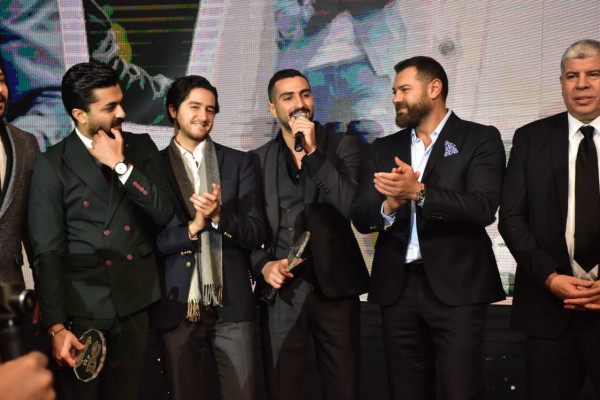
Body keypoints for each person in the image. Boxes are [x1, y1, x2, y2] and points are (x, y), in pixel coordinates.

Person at [351, 56, 506, 399]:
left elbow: (482, 207)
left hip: (458, 290)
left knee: (461, 390)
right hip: (397, 290)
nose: (396, 98)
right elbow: (361, 215)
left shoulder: (480, 138)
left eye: (404, 90)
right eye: (394, 91)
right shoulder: (383, 148)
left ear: (434, 88)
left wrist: (418, 192)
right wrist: (390, 205)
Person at [28, 61, 174, 400]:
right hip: (83, 307)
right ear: (80, 114)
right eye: (110, 107)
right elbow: (47, 251)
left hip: (134, 301)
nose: (122, 113)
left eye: (120, 102)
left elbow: (164, 212)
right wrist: (56, 326)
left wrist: (120, 166)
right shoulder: (52, 164)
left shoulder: (141, 147)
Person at [250, 69, 369, 400]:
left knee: (344, 387)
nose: (299, 104)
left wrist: (314, 155)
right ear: (273, 108)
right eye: (287, 97)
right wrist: (262, 265)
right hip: (282, 293)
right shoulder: (257, 160)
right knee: (281, 387)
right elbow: (247, 230)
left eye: (305, 94)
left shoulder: (344, 146)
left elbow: (351, 206)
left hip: (336, 289)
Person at [149, 75, 266, 400]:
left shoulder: (239, 162)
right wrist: (191, 229)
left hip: (232, 303)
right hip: (177, 305)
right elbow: (149, 243)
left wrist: (218, 217)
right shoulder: (153, 168)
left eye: (211, 109)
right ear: (173, 110)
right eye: (195, 107)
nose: (204, 116)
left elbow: (257, 232)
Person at [499, 39, 600, 399]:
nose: (581, 84)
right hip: (548, 311)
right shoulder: (530, 139)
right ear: (561, 83)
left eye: (593, 74)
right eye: (572, 76)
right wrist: (550, 277)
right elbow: (511, 218)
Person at [0, 53, 38, 285]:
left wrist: (45, 293)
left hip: (10, 286)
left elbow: (32, 230)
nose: (0, 90)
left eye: (1, 80)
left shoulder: (25, 144)